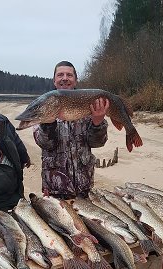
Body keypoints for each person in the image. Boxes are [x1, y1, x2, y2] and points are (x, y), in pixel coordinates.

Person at [33, 60, 109, 199]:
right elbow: (45, 143)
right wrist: (48, 123)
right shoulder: (44, 106)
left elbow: (97, 143)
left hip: (84, 190)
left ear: (75, 80)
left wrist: (97, 123)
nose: (65, 78)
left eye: (69, 75)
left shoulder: (89, 105)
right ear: (54, 81)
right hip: (54, 192)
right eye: (60, 75)